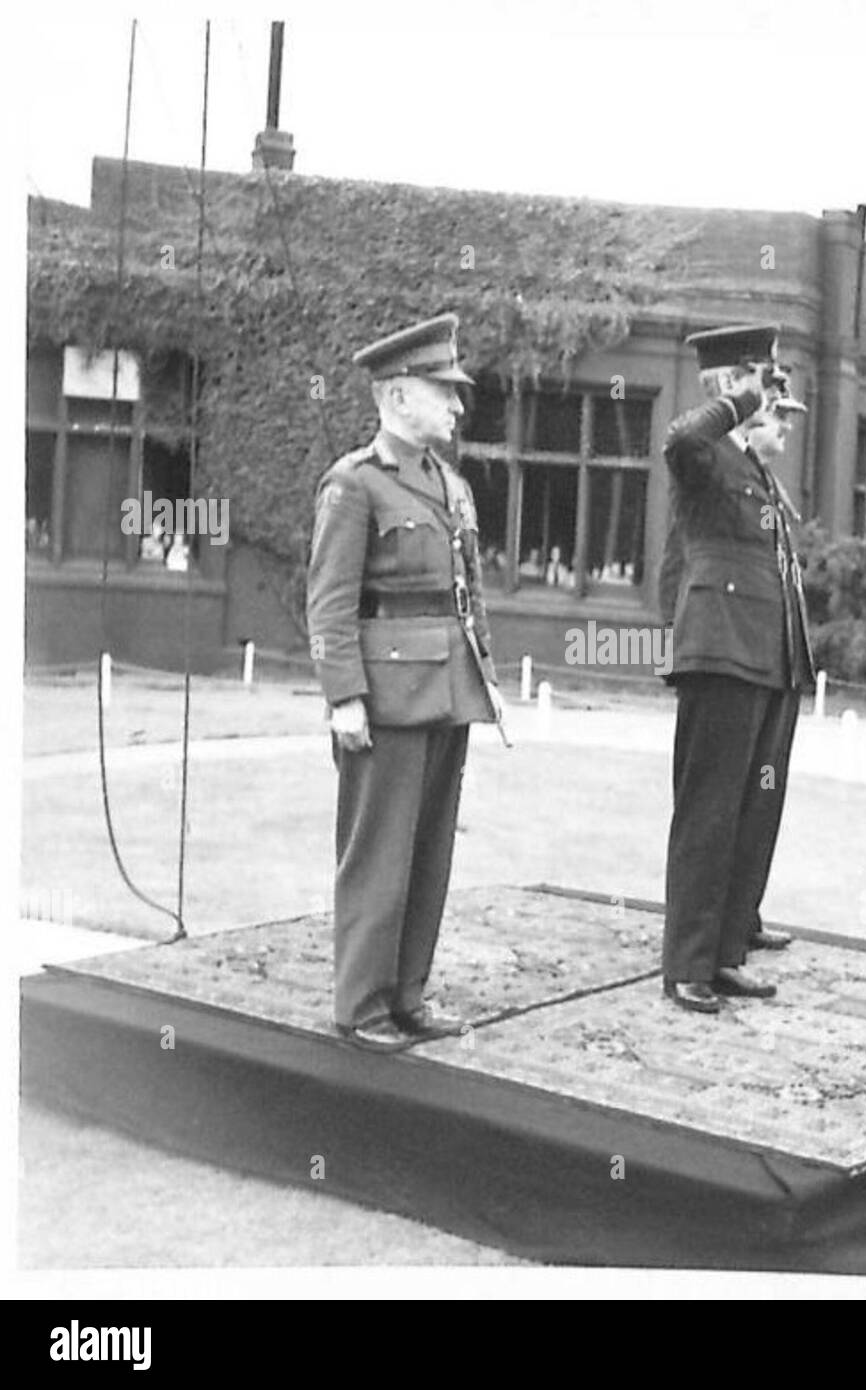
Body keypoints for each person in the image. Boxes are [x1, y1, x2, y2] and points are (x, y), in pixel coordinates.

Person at [306, 312, 504, 1052]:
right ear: (395, 397)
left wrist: (483, 668)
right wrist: (343, 696)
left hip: (448, 687)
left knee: (427, 854)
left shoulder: (450, 485)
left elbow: (469, 591)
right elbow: (328, 600)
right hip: (385, 697)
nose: (456, 405)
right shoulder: (353, 485)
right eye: (441, 390)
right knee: (378, 855)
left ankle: (407, 994)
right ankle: (361, 1007)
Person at [658, 324, 816, 1014]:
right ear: (729, 384)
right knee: (710, 811)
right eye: (762, 379)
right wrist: (735, 401)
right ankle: (687, 964)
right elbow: (680, 439)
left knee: (752, 810)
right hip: (722, 656)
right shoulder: (708, 453)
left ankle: (726, 952)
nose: (773, 393)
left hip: (766, 659)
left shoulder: (751, 467)